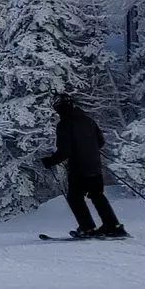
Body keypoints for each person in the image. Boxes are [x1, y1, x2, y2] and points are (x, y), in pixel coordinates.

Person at [41, 95, 127, 238]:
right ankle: (113, 226)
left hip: (78, 168)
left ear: (59, 108)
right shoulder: (88, 120)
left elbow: (65, 151)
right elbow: (100, 142)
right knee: (97, 195)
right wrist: (89, 149)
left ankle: (87, 227)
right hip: (94, 165)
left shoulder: (64, 125)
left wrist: (50, 161)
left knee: (75, 197)